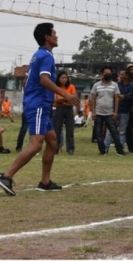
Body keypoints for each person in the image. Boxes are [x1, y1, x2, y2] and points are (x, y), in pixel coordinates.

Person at [1, 23, 80, 196]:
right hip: (37, 105)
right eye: (54, 33)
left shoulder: (40, 55)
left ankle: (45, 182)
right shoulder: (46, 56)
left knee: (52, 142)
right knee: (36, 144)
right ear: (47, 36)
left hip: (41, 105)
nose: (57, 36)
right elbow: (43, 79)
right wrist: (65, 95)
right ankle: (6, 176)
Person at [90, 66, 126, 156]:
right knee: (98, 134)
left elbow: (116, 99)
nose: (108, 74)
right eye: (106, 72)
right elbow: (93, 99)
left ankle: (120, 151)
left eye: (109, 73)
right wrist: (93, 112)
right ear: (102, 74)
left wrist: (115, 111)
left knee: (114, 132)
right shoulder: (96, 85)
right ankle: (103, 151)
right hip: (98, 113)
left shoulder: (114, 85)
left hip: (110, 113)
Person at [106, 69, 133, 153]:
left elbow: (130, 96)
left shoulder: (131, 86)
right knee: (110, 130)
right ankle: (105, 148)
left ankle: (120, 149)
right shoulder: (116, 85)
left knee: (122, 131)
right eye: (120, 74)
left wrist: (122, 97)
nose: (121, 76)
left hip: (125, 111)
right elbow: (113, 96)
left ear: (127, 76)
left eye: (123, 74)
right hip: (115, 110)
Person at [52, 71, 78, 155]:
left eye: (66, 78)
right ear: (58, 79)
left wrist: (63, 99)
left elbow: (73, 97)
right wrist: (67, 98)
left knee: (70, 130)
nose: (64, 79)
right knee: (57, 130)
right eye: (62, 78)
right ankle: (56, 148)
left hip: (69, 109)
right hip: (59, 109)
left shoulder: (71, 87)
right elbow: (56, 99)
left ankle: (70, 149)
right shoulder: (56, 87)